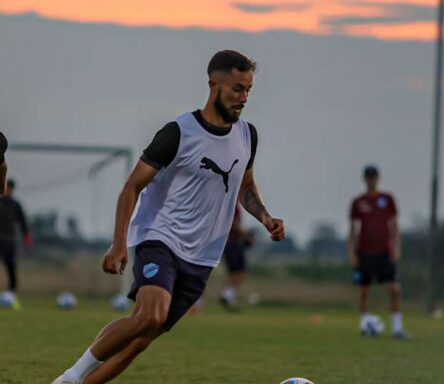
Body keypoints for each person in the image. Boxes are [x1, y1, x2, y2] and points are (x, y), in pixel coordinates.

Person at [53, 49, 285, 384]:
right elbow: (131, 187)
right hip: (160, 237)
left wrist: (266, 218)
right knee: (150, 315)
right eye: (237, 88)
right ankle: (69, 378)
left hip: (202, 256)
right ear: (213, 85)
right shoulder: (179, 132)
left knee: (140, 342)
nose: (244, 97)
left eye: (248, 89)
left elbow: (245, 188)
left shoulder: (248, 136)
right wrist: (119, 244)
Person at [348, 165, 409, 339]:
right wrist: (351, 253)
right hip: (365, 251)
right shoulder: (358, 202)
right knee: (364, 290)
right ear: (364, 179)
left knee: (394, 288)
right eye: (368, 177)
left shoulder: (387, 199)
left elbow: (395, 225)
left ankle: (397, 329)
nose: (371, 180)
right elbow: (353, 229)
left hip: (384, 251)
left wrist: (397, 247)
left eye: (373, 177)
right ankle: (364, 325)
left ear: (378, 179)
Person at [0, 179, 32, 308]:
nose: (8, 190)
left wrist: (26, 235)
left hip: (9, 240)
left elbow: (22, 221)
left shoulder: (15, 205)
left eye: (10, 188)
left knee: (11, 268)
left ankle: (11, 296)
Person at [220, 201, 255, 311]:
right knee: (241, 272)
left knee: (235, 273)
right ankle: (226, 296)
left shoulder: (230, 203)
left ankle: (228, 297)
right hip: (232, 242)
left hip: (229, 242)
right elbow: (233, 224)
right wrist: (246, 235)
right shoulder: (232, 203)